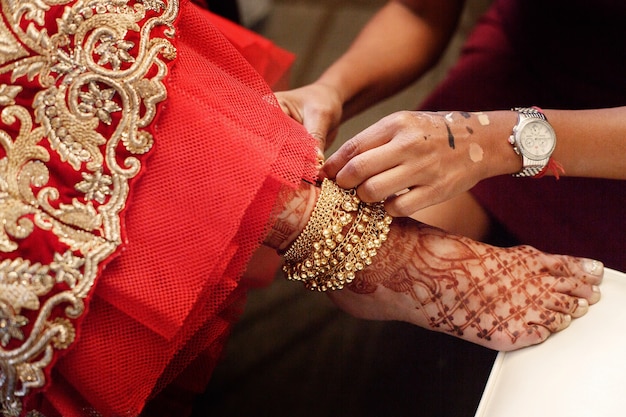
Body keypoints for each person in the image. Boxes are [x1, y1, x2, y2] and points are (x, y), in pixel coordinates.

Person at [0, 0, 602, 416]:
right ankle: (360, 253)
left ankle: (353, 249)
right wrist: (332, 90)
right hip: (524, 78)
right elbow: (420, 11)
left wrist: (504, 142)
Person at [276, 0, 626, 272]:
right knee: (368, 246)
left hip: (610, 139)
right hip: (529, 64)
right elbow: (419, 12)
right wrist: (331, 91)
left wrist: (491, 142)